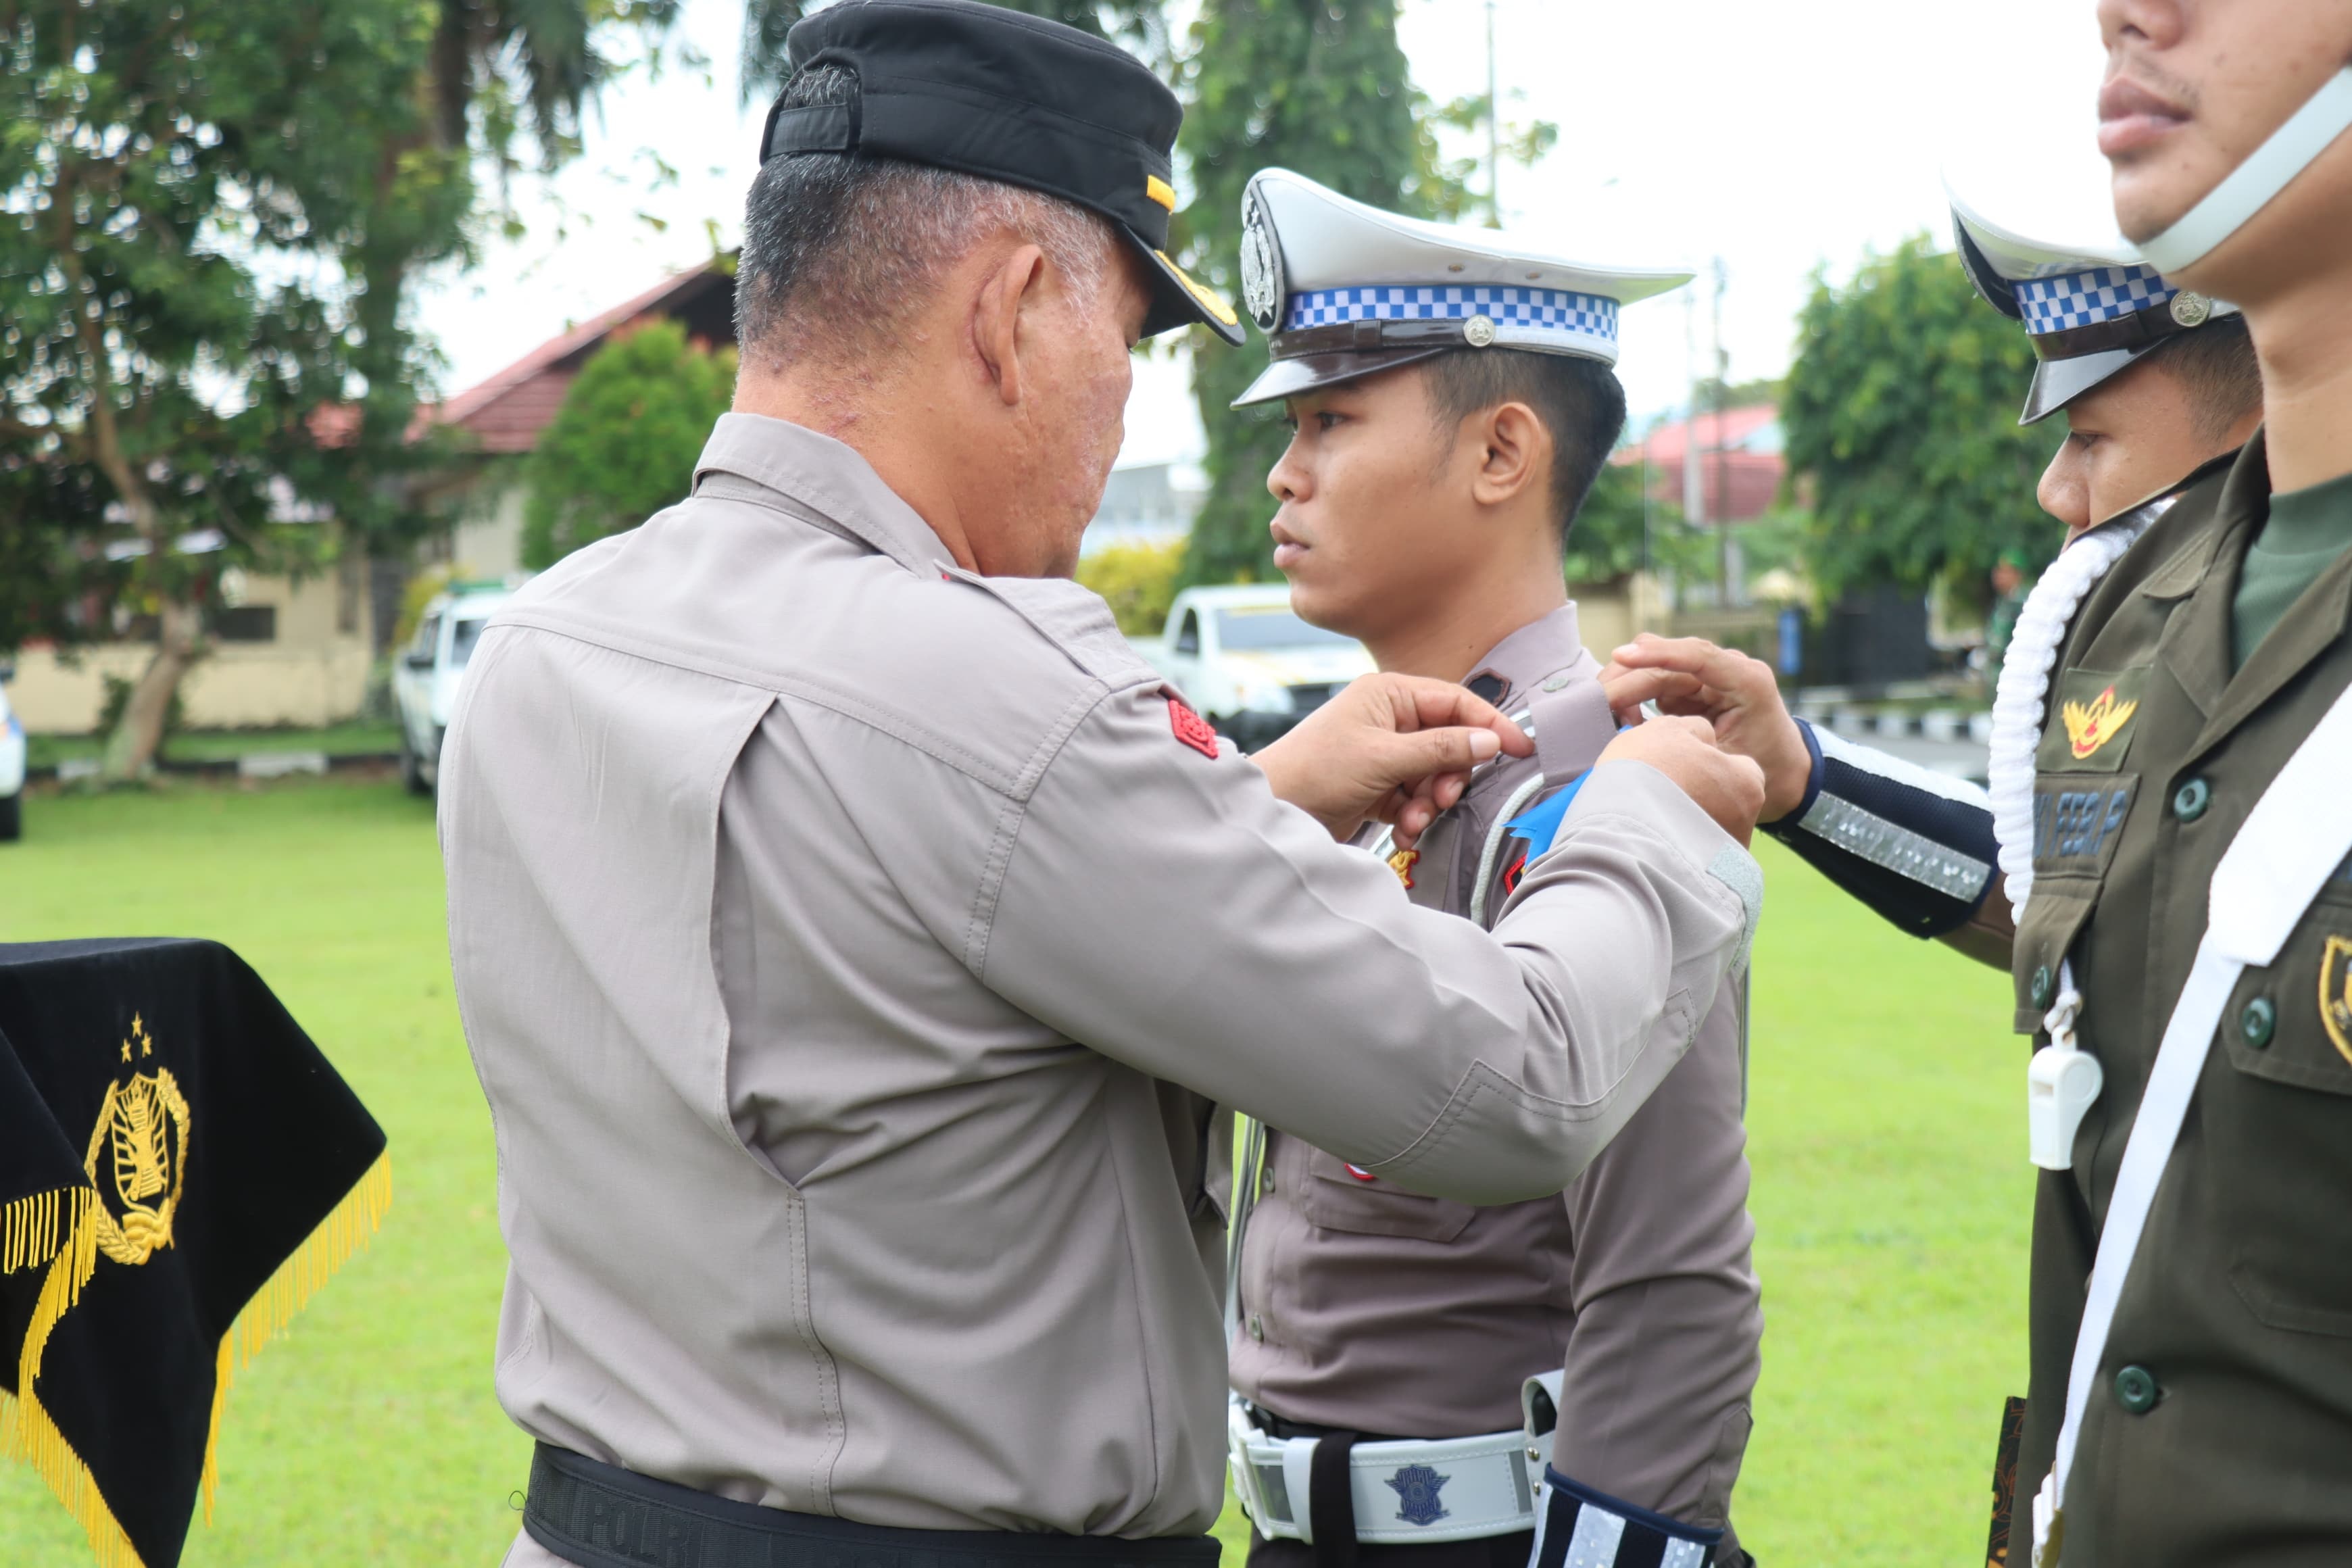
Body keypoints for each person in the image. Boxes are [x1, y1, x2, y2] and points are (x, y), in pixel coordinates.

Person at [436, 6, 1769, 1567]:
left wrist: (1249, 802)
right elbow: (1514, 1084)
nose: (1130, 402)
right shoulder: (1005, 699)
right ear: (1009, 311)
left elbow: (876, 977)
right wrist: (1654, 813)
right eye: (1128, 340)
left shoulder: (540, 648)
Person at [1216, 170, 1758, 1568]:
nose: (1285, 472)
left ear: (1502, 452)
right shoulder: (1345, 777)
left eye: (1332, 421)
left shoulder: (1611, 792)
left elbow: (1669, 1282)